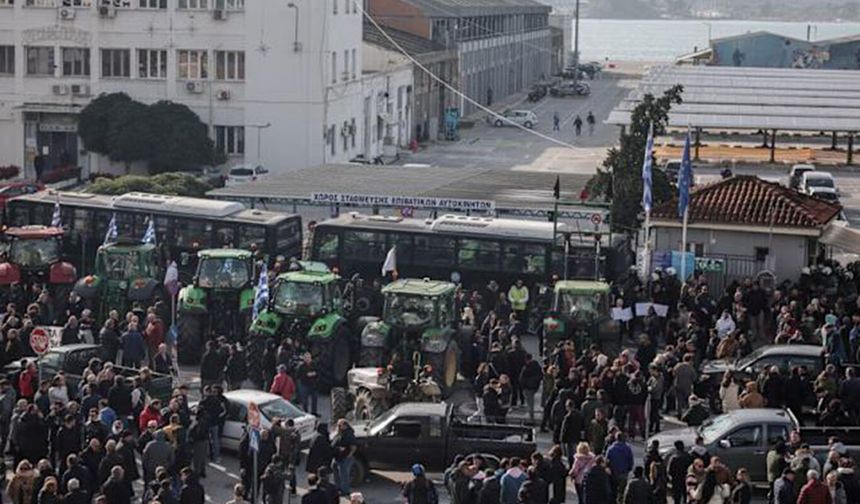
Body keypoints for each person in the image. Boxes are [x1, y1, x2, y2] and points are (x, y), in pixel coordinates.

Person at [606, 433, 634, 504]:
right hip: (624, 473)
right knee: (622, 492)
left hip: (613, 473)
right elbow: (630, 461)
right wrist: (628, 469)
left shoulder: (611, 449)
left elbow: (607, 461)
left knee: (613, 491)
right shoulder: (628, 449)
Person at [331, 419, 357, 495]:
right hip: (337, 457)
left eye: (340, 425)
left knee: (344, 475)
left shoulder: (349, 434)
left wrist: (348, 456)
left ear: (345, 425)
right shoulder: (339, 433)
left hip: (344, 458)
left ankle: (345, 491)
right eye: (338, 425)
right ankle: (338, 487)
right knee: (335, 469)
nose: (338, 427)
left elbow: (353, 447)